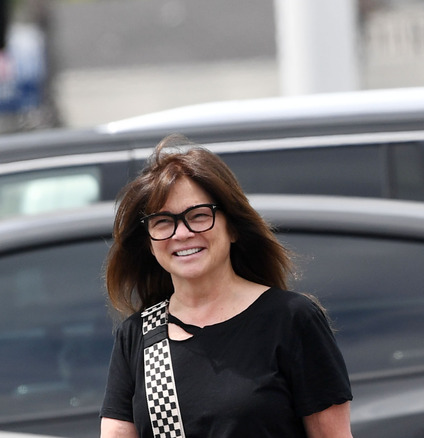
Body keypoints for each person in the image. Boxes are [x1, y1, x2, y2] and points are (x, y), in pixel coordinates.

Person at [100, 134, 353, 438]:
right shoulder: (138, 335)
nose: (182, 233)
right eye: (163, 222)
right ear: (150, 244)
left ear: (232, 227)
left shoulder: (291, 318)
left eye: (199, 216)